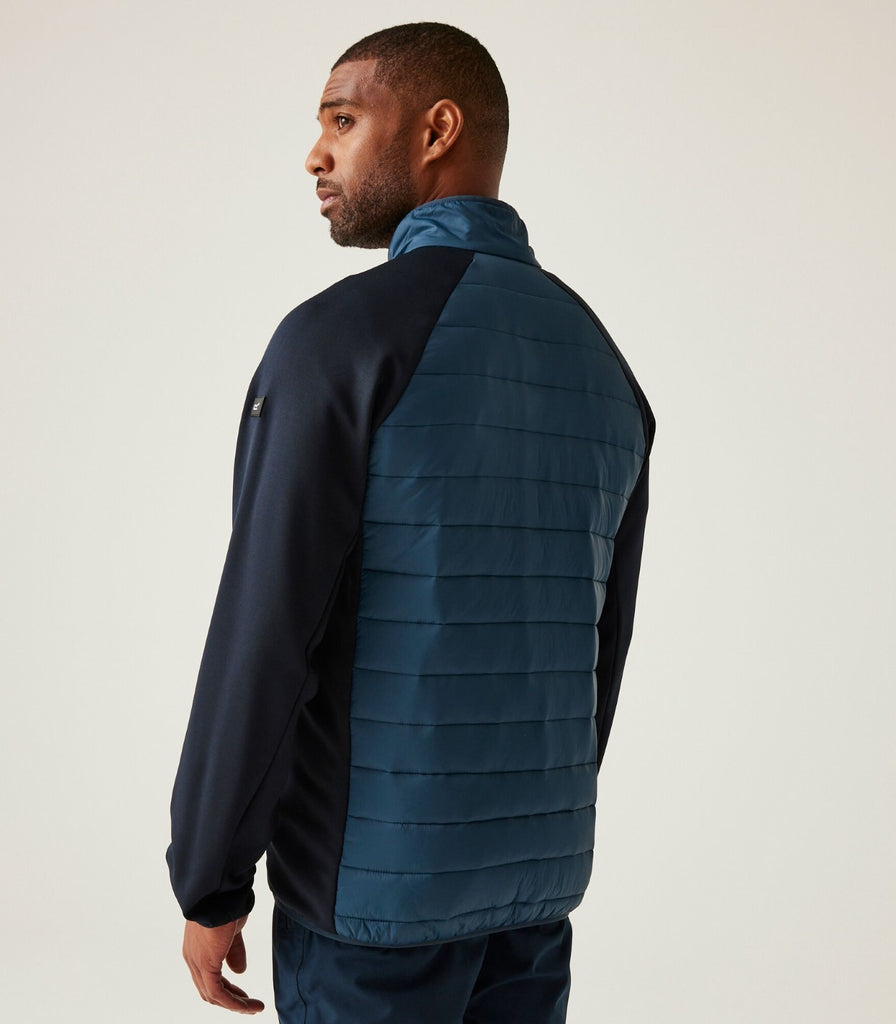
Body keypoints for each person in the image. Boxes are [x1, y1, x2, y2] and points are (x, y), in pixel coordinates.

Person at [167, 22, 655, 1022]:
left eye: (343, 121)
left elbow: (267, 630)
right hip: (533, 897)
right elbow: (598, 650)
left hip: (370, 913)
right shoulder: (601, 362)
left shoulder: (338, 343)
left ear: (436, 130)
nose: (316, 154)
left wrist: (211, 877)